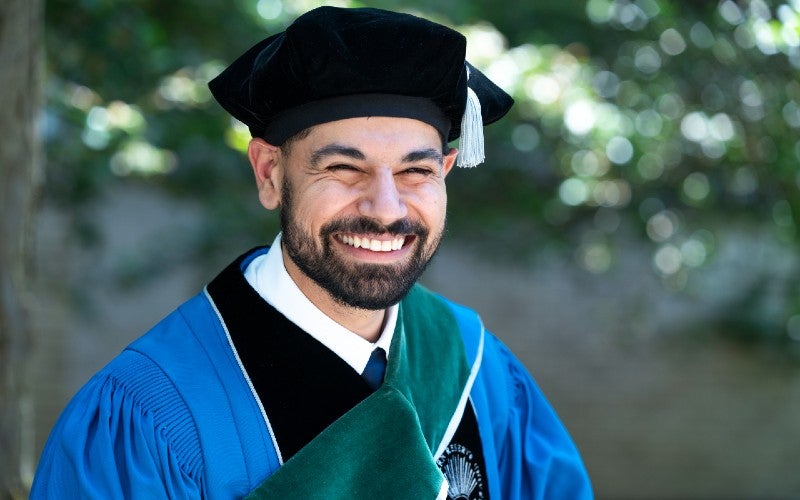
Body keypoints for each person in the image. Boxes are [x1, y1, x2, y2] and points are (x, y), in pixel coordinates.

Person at [31, 6, 592, 499]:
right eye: (344, 168)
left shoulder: (478, 370)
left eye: (415, 171)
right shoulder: (147, 419)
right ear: (270, 173)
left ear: (446, 172)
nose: (385, 208)